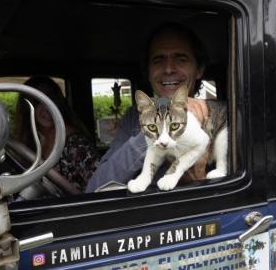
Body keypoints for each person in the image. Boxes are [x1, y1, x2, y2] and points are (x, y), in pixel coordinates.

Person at [86, 23, 210, 192]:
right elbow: (95, 187)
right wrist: (149, 133)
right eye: (158, 60)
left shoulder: (223, 116)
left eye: (181, 59)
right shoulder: (134, 118)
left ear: (199, 70)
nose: (168, 69)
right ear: (149, 72)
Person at [14, 76, 100, 194]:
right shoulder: (37, 142)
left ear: (58, 103)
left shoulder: (77, 145)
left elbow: (100, 188)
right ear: (27, 109)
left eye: (51, 98)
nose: (46, 106)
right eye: (37, 101)